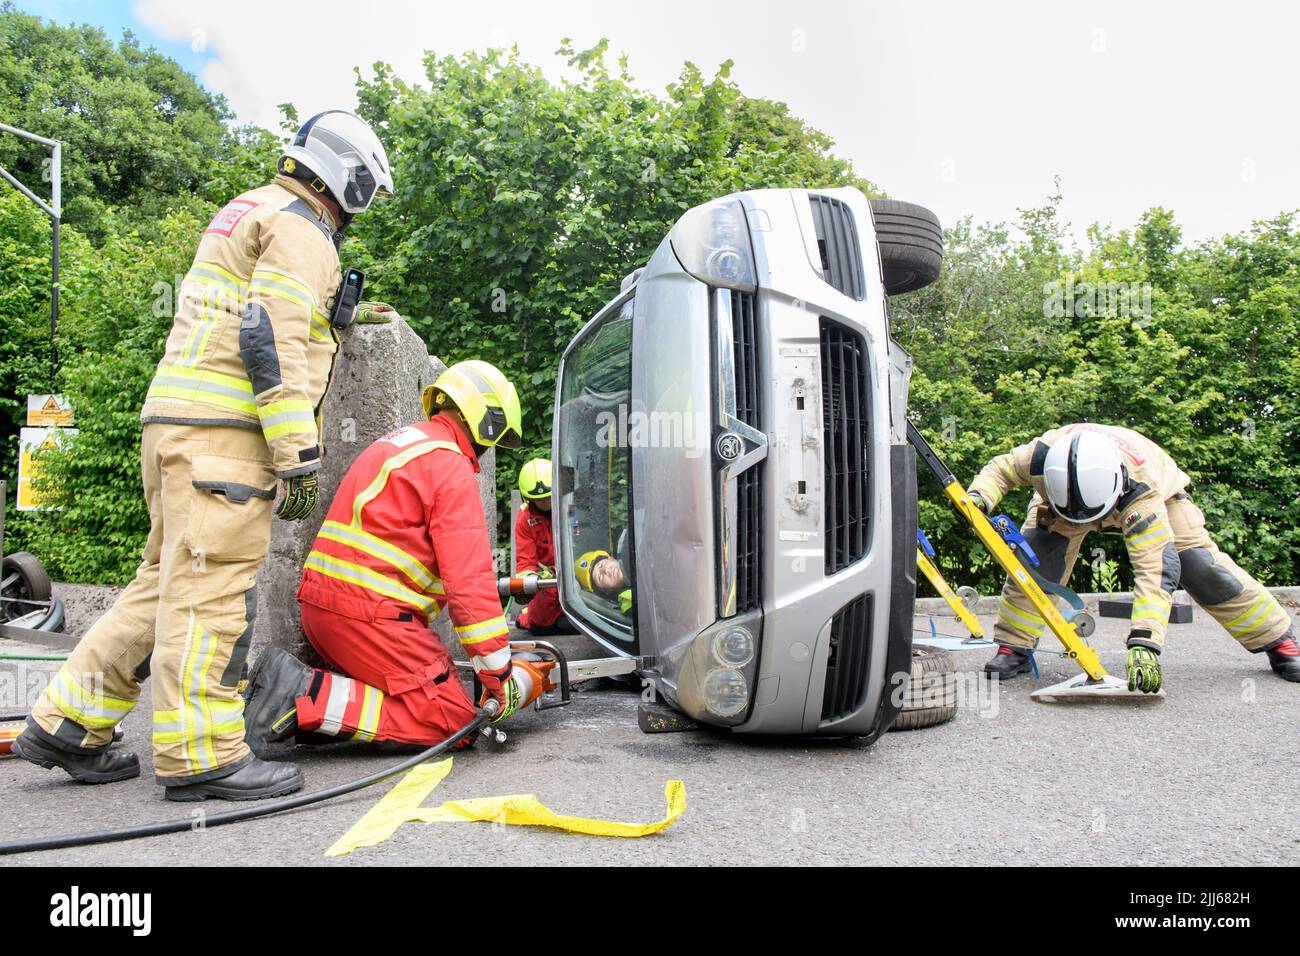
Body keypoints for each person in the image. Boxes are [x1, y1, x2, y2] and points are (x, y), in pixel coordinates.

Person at [15, 111, 395, 800]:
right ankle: (201, 758)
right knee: (211, 595)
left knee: (162, 583)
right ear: (347, 175)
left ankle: (69, 721)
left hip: (174, 422)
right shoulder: (302, 229)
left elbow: (259, 311)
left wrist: (345, 316)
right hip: (227, 436)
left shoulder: (249, 210)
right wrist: (300, 458)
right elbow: (270, 339)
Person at [240, 360, 554, 757]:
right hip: (371, 617)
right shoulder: (450, 467)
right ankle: (301, 695)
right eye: (495, 437)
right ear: (485, 420)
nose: (488, 449)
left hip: (328, 610)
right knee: (455, 722)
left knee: (410, 699)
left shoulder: (402, 444)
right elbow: (469, 586)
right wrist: (502, 675)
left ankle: (293, 707)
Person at [968, 423, 1299, 690]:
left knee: (1201, 567)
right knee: (1037, 561)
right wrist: (979, 498)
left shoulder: (1142, 491)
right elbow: (1000, 469)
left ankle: (1277, 640)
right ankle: (1015, 646)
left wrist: (1146, 641)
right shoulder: (1040, 457)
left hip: (1160, 495)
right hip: (1061, 503)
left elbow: (1154, 570)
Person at [512, 458, 575, 635]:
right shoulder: (525, 519)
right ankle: (529, 615)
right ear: (529, 499)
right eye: (540, 500)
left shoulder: (569, 508)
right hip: (548, 580)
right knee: (539, 627)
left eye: (548, 497)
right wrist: (529, 583)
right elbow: (526, 560)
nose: (546, 503)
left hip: (573, 573)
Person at [574, 550, 633, 615]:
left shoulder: (634, 548)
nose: (606, 570)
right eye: (600, 577)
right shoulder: (630, 605)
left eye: (602, 564)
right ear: (606, 591)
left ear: (611, 559)